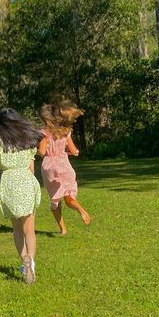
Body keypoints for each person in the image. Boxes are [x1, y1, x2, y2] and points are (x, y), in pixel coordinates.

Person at [0, 108, 43, 284]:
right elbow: (31, 167)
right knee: (29, 229)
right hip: (26, 180)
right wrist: (32, 185)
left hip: (9, 183)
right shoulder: (27, 141)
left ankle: (24, 259)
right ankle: (30, 262)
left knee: (17, 229)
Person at [39, 101, 90, 235]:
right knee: (68, 197)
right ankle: (80, 210)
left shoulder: (43, 133)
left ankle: (63, 229)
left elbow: (42, 152)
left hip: (50, 168)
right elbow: (73, 150)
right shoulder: (66, 132)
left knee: (55, 200)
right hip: (65, 166)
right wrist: (71, 152)